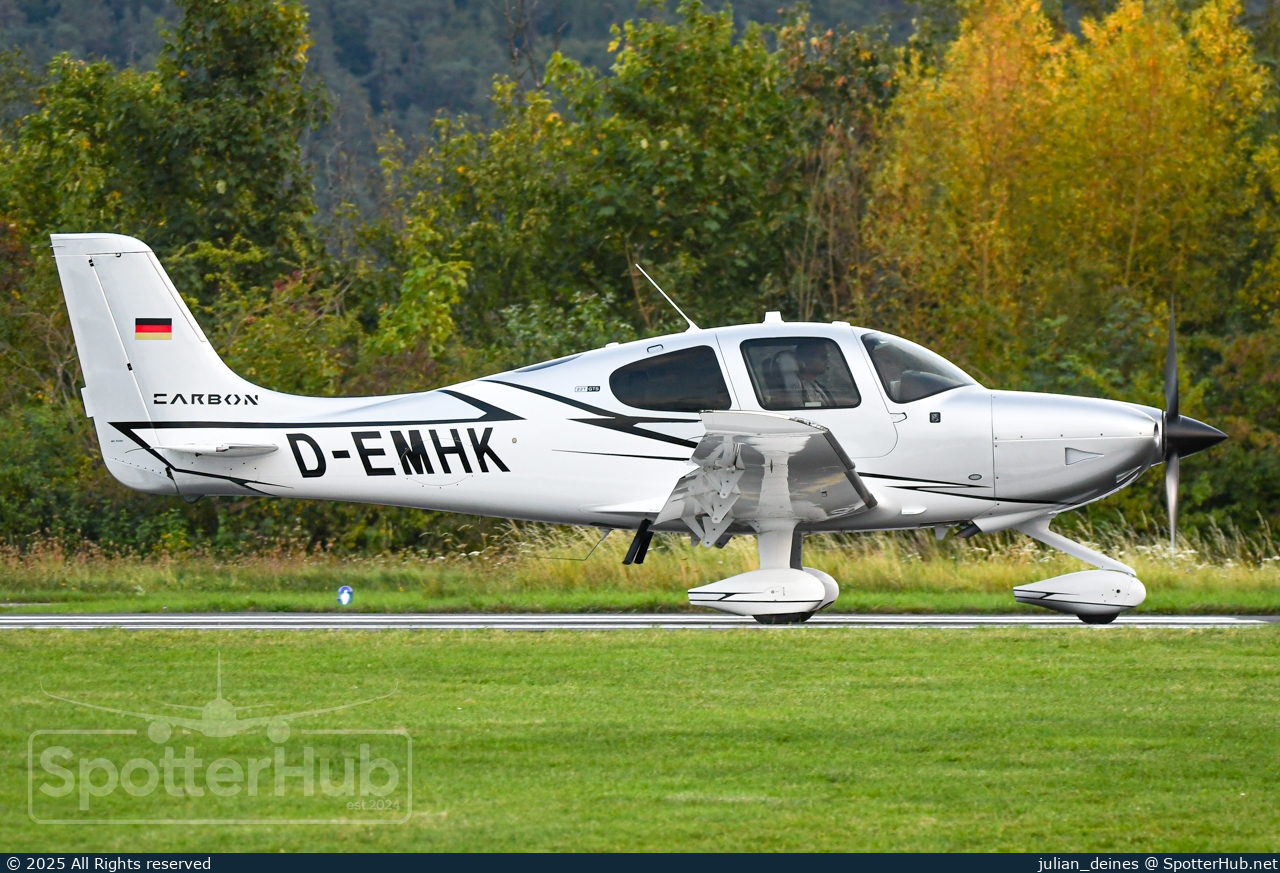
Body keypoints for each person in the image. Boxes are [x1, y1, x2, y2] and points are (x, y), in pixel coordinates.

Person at [775, 340, 834, 407]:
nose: (827, 361)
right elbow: (809, 408)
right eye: (823, 357)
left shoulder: (816, 386)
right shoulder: (801, 388)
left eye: (827, 357)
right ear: (806, 360)